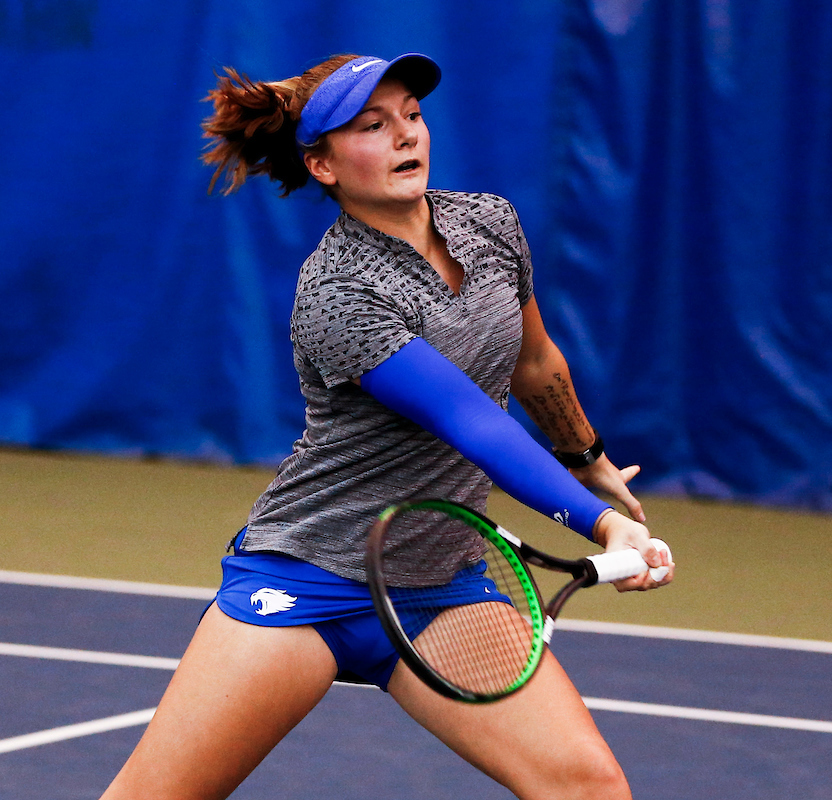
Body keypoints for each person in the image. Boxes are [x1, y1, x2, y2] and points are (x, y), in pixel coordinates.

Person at [100, 52, 672, 800]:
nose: (406, 137)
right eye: (372, 126)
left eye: (412, 116)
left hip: (443, 586)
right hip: (307, 582)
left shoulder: (489, 223)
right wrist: (599, 525)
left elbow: (533, 364)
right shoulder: (337, 292)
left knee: (587, 787)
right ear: (324, 164)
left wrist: (586, 455)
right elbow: (468, 417)